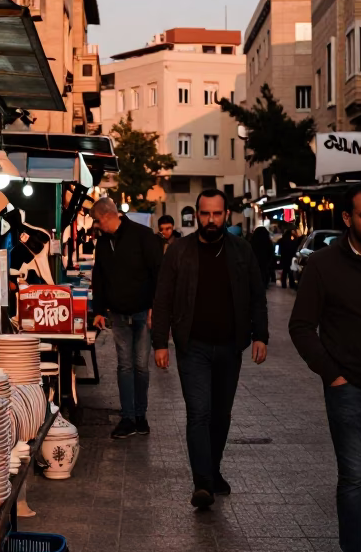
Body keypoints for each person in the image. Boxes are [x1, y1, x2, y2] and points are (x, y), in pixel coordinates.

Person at [152, 189, 268, 509]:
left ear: (226, 215)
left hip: (231, 347)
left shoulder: (241, 251)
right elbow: (163, 299)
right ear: (196, 216)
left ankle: (213, 469)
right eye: (205, 214)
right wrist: (160, 342)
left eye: (217, 214)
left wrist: (262, 335)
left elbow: (257, 296)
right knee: (199, 413)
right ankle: (202, 483)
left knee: (221, 415)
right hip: (194, 347)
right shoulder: (179, 251)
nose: (211, 220)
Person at [289, 185, 361, 552]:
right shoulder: (323, 264)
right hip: (350, 388)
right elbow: (301, 326)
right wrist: (333, 375)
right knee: (356, 477)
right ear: (347, 219)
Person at [91, 197, 163, 440]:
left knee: (141, 366)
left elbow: (157, 272)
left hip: (143, 311)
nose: (97, 226)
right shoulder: (103, 243)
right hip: (118, 314)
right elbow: (98, 276)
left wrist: (155, 307)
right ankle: (128, 417)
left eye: (98, 221)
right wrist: (99, 309)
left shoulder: (143, 236)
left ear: (109, 216)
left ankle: (140, 416)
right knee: (125, 366)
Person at [250, 225, 275, 290]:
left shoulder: (252, 241)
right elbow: (271, 253)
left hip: (254, 263)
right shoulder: (268, 242)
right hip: (264, 263)